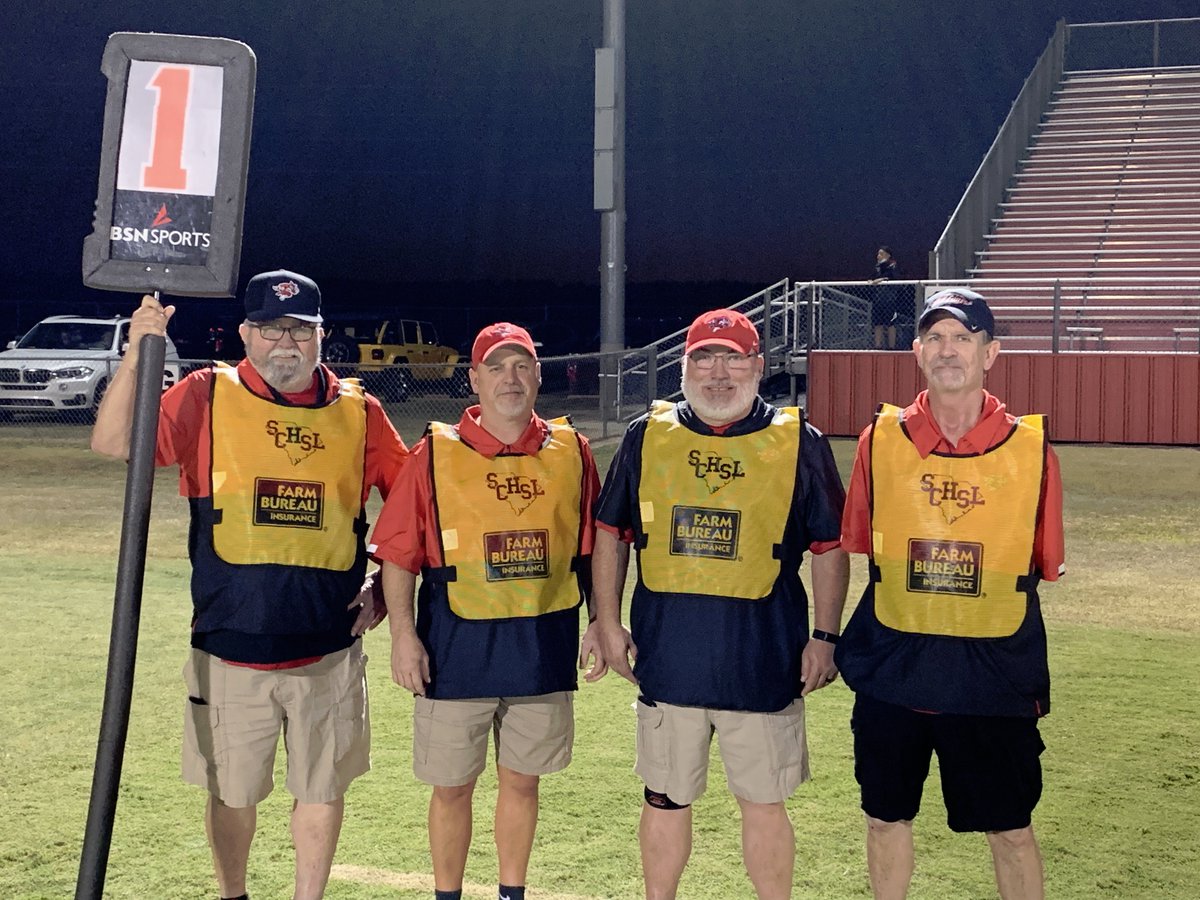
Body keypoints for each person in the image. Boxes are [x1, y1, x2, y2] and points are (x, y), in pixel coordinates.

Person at [91, 270, 409, 900]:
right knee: (232, 792)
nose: (283, 343)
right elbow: (113, 441)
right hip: (229, 647)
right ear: (246, 333)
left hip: (329, 652)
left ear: (320, 336)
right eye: (269, 329)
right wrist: (137, 350)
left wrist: (382, 587)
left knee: (321, 790)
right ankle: (232, 894)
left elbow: (410, 510)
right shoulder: (206, 394)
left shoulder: (360, 412)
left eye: (298, 329)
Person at [586, 308, 850, 900]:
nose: (719, 373)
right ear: (685, 366)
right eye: (704, 357)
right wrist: (606, 620)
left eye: (733, 358)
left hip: (763, 660)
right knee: (664, 799)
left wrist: (825, 636)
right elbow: (610, 531)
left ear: (758, 365)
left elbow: (830, 545)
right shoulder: (647, 435)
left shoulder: (797, 441)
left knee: (763, 804)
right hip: (668, 658)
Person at [835, 288, 1065, 900]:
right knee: (885, 817)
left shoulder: (1032, 450)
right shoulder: (876, 441)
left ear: (990, 353)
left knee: (1011, 830)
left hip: (992, 673)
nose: (947, 350)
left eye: (963, 338)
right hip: (895, 664)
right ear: (915, 351)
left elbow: (1041, 563)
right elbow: (859, 545)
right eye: (934, 337)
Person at [369, 322, 601, 900]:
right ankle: (447, 893)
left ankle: (510, 893)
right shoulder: (434, 452)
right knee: (451, 786)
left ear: (539, 375)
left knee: (522, 782)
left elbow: (595, 547)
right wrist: (403, 636)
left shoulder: (572, 451)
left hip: (541, 642)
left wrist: (601, 620)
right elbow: (400, 553)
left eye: (521, 365)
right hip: (455, 645)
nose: (510, 378)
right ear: (473, 378)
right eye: (496, 367)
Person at [870, 247, 902, 350]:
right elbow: (872, 278)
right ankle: (877, 346)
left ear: (888, 255)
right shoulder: (877, 267)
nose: (878, 256)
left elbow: (894, 278)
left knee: (890, 323)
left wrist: (881, 279)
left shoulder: (893, 265)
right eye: (878, 254)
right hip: (877, 300)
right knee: (877, 323)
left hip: (890, 300)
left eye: (881, 254)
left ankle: (891, 347)